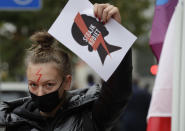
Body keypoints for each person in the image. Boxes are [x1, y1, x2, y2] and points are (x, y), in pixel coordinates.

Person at [0, 3, 132, 131]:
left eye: (49, 85)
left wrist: (115, 33)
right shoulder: (12, 122)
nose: (40, 93)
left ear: (67, 82)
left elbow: (118, 92)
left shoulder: (88, 117)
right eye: (33, 85)